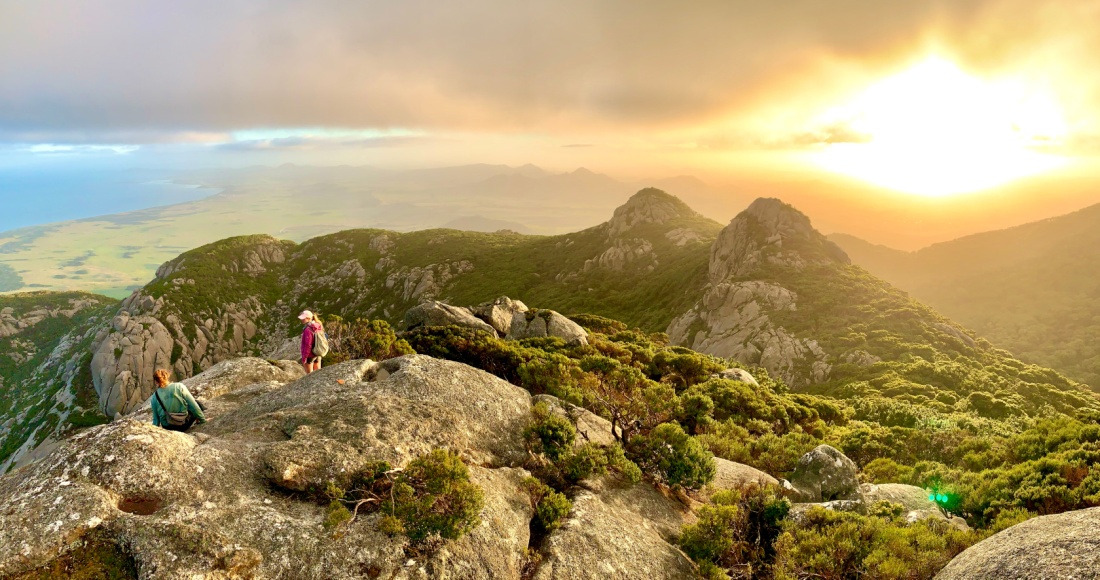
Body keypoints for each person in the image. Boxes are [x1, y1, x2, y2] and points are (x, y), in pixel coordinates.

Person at [299, 310, 324, 374]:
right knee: (318, 373)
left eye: (303, 318)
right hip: (318, 352)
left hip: (310, 355)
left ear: (308, 318)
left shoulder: (307, 329)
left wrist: (304, 357)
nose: (301, 320)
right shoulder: (318, 326)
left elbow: (308, 345)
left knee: (309, 374)